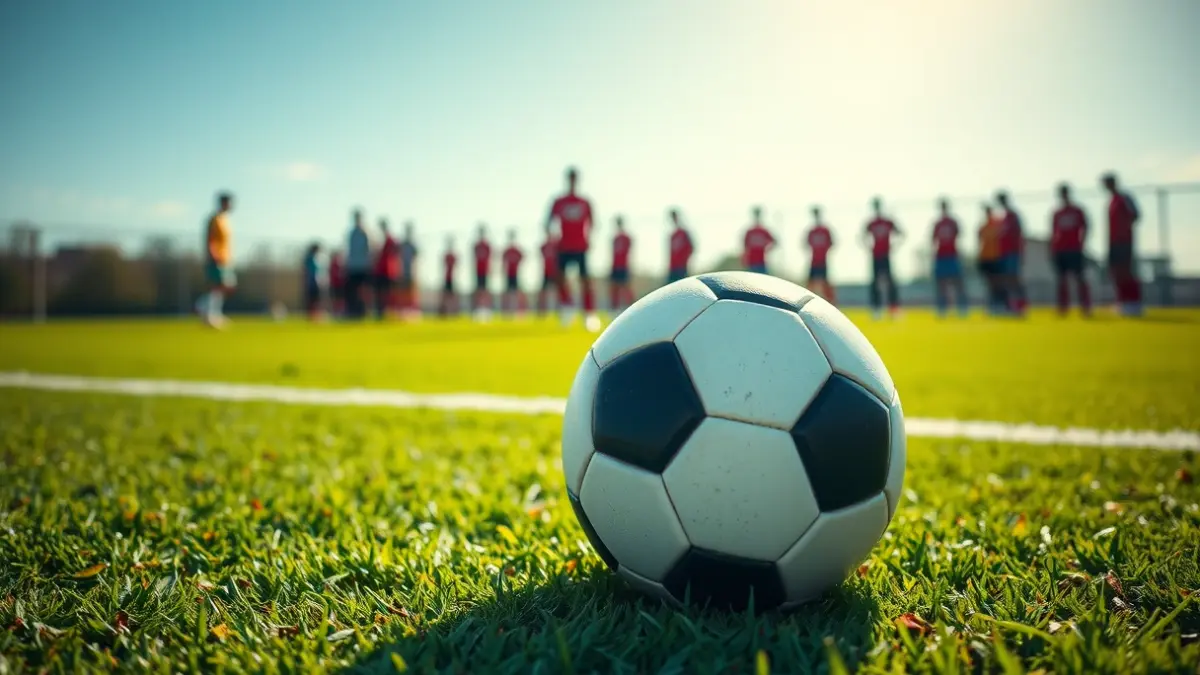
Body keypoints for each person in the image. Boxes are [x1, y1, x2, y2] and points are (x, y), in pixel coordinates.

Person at [544, 166, 600, 331]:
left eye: (575, 178)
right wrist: (551, 236)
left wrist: (590, 238)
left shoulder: (584, 202)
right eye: (570, 178)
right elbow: (548, 221)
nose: (572, 181)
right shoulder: (559, 202)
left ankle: (589, 314)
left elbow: (593, 222)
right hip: (563, 246)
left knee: (585, 281)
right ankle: (567, 307)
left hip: (580, 246)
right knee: (560, 279)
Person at [1101, 172, 1143, 317]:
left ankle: (1134, 302)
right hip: (1113, 242)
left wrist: (1125, 230)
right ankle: (1122, 302)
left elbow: (1136, 215)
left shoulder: (1124, 198)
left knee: (1126, 271)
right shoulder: (1111, 201)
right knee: (1116, 272)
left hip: (1124, 241)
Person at [1050, 183, 1092, 316]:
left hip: (1074, 249)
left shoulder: (1077, 210)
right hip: (1060, 250)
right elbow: (1053, 231)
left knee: (1079, 278)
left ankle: (1085, 307)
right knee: (1061, 279)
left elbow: (1085, 227)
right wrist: (1052, 248)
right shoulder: (1057, 213)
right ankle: (1063, 307)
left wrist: (1082, 242)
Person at [197, 191, 236, 329]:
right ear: (223, 203)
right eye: (229, 202)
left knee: (225, 286)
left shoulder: (226, 220)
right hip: (217, 258)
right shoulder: (215, 219)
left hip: (226, 259)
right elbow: (211, 239)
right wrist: (213, 254)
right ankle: (206, 310)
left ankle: (213, 313)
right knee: (216, 286)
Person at [862, 197, 903, 320]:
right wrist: (868, 246)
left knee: (890, 282)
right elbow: (863, 235)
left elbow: (900, 233)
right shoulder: (871, 223)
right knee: (875, 283)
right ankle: (876, 308)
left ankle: (893, 308)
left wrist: (895, 245)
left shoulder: (888, 222)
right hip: (876, 255)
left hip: (886, 255)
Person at [931, 198, 967, 317]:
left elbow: (959, 234)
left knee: (957, 281)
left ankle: (962, 307)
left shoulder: (953, 222)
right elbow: (933, 239)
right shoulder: (937, 223)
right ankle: (942, 308)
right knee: (941, 283)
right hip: (941, 255)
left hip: (952, 255)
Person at [995, 191, 1027, 317]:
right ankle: (1010, 306)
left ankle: (1021, 306)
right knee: (1006, 280)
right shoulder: (1002, 218)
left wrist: (1021, 252)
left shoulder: (1013, 216)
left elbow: (1019, 234)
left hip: (1013, 252)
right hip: (1003, 253)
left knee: (1014, 279)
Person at [976, 204, 1006, 315]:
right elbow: (979, 241)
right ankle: (991, 306)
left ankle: (1001, 305)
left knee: (998, 283)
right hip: (985, 258)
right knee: (989, 284)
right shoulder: (982, 227)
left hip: (996, 258)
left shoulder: (997, 224)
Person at [804, 206, 836, 304]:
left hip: (823, 261)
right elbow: (806, 243)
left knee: (825, 284)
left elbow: (832, 242)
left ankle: (832, 303)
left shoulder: (825, 230)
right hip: (814, 261)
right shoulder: (812, 231)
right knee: (810, 284)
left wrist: (824, 251)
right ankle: (808, 303)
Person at [345, 209, 373, 320]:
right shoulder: (351, 233)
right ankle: (353, 312)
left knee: (364, 291)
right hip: (353, 267)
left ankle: (363, 312)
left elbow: (368, 250)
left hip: (364, 267)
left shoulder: (365, 232)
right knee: (352, 291)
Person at [374, 218, 400, 320]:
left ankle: (389, 311)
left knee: (388, 292)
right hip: (379, 270)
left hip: (388, 271)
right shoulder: (379, 239)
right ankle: (380, 312)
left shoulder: (390, 239)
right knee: (379, 293)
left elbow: (396, 251)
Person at [609, 215, 634, 314]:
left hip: (623, 266)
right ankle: (614, 309)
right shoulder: (615, 238)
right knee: (614, 288)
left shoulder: (626, 237)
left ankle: (631, 307)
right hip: (615, 266)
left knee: (625, 287)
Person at [742, 206, 775, 275]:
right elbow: (745, 246)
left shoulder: (763, 231)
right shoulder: (750, 231)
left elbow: (774, 241)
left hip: (761, 261)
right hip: (751, 262)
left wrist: (768, 249)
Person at [501, 229, 526, 316]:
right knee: (507, 293)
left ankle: (520, 311)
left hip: (516, 274)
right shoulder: (507, 250)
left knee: (517, 293)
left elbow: (523, 257)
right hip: (508, 274)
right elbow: (503, 261)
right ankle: (506, 311)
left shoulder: (517, 250)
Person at [471, 224, 493, 320]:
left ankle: (486, 309)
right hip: (478, 271)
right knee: (478, 291)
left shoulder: (487, 245)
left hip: (485, 271)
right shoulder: (476, 245)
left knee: (485, 290)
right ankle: (477, 309)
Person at [398, 221, 420, 317]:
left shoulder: (413, 245)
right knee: (403, 293)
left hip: (411, 273)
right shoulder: (402, 245)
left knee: (412, 293)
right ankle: (404, 312)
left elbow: (416, 259)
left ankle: (413, 311)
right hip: (402, 272)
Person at [667, 208, 694, 283]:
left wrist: (684, 260)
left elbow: (691, 248)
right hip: (673, 267)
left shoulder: (684, 233)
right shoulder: (672, 235)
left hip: (681, 268)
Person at [302, 242, 327, 321]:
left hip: (316, 283)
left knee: (316, 300)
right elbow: (308, 271)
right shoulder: (310, 258)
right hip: (313, 283)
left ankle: (317, 316)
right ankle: (313, 316)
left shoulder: (317, 258)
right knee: (313, 300)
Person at [537, 235, 558, 316]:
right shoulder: (544, 246)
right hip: (545, 272)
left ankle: (559, 310)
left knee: (557, 292)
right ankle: (542, 311)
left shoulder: (556, 244)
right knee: (543, 293)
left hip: (555, 272)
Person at [439, 236, 459, 317]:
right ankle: (443, 311)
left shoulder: (453, 256)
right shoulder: (446, 255)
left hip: (453, 278)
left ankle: (454, 311)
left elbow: (457, 267)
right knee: (445, 295)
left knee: (452, 296)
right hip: (446, 278)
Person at [328, 250, 345, 318]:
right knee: (336, 299)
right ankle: (336, 313)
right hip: (335, 284)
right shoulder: (334, 264)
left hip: (339, 284)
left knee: (340, 299)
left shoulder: (339, 264)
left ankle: (339, 312)